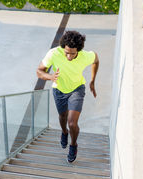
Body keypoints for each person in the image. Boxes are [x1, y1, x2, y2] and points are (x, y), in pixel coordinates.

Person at [36, 30, 99, 162]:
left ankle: (73, 145)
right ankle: (64, 133)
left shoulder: (85, 56)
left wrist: (92, 80)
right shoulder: (54, 53)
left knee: (72, 122)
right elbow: (39, 71)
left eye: (73, 54)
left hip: (77, 89)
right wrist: (50, 76)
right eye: (67, 53)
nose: (69, 56)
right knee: (62, 116)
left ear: (79, 51)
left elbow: (96, 60)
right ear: (63, 48)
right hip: (59, 90)